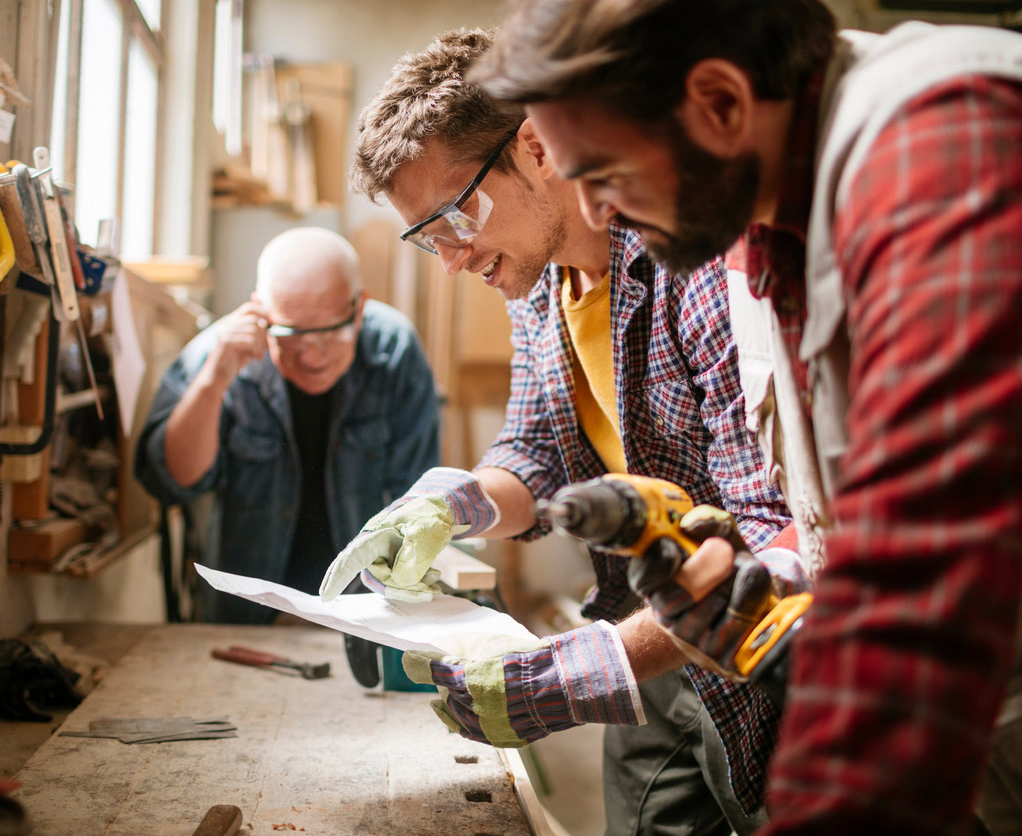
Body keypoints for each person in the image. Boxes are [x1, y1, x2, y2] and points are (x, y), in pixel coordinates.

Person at [472, 2, 1022, 834]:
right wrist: (762, 595)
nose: (594, 213)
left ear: (719, 102)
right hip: (987, 754)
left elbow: (923, 580)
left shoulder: (941, 147)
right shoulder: (759, 229)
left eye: (600, 172)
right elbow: (836, 515)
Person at [321, 29, 802, 836]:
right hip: (642, 632)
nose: (451, 257)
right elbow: (538, 450)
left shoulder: (696, 267)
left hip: (759, 652)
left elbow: (768, 530)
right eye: (427, 236)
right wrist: (458, 502)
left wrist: (592, 668)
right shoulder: (538, 287)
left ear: (537, 147)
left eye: (455, 216)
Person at [136, 227, 440, 623]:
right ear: (260, 312)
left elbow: (417, 503)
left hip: (366, 616)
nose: (312, 356)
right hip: (246, 618)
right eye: (291, 334)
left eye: (331, 332)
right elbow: (170, 482)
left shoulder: (394, 351)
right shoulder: (217, 354)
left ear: (359, 307)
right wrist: (214, 380)